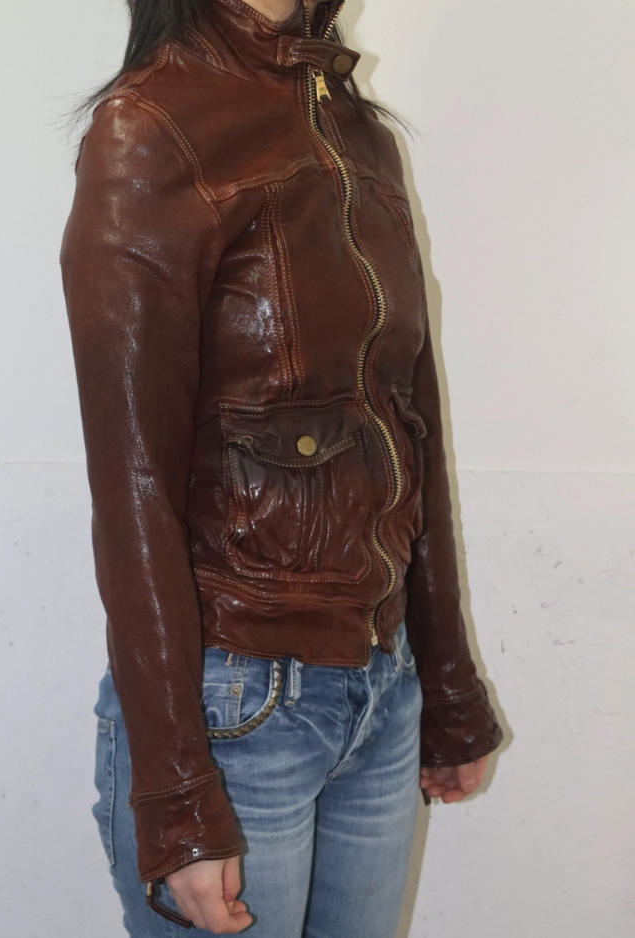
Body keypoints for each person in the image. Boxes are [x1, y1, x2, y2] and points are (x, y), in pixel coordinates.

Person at [59, 0, 505, 934]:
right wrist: (178, 797)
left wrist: (448, 682)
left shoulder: (356, 131)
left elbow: (412, 430)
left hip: (380, 691)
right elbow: (133, 493)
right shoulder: (150, 126)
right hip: (233, 705)